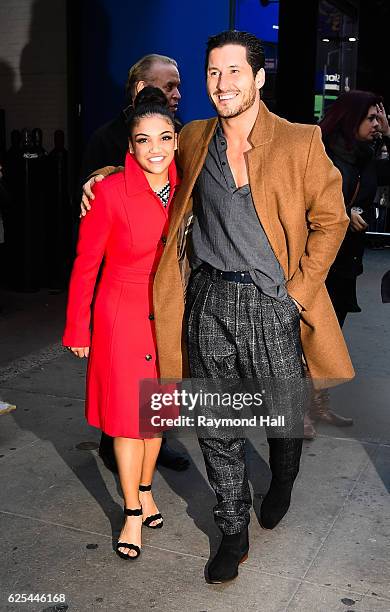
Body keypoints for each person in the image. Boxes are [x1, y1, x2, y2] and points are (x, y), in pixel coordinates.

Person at [81, 30, 355, 584]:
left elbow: (332, 220)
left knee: (282, 419)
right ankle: (232, 527)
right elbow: (147, 156)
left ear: (257, 78)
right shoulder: (193, 137)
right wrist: (106, 174)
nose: (222, 83)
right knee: (216, 423)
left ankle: (281, 479)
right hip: (206, 299)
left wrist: (296, 294)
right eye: (213, 72)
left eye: (234, 72)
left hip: (272, 300)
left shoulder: (300, 140)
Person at [63, 87, 180, 560]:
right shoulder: (109, 193)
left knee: (155, 419)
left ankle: (147, 487)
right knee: (127, 424)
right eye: (144, 139)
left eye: (164, 138)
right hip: (121, 315)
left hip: (168, 314)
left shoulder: (188, 183)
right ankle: (131, 512)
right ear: (129, 146)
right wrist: (78, 328)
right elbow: (85, 264)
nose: (155, 148)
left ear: (176, 140)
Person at [81, 54, 189, 473]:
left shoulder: (184, 135)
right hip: (124, 287)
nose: (178, 94)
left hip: (167, 287)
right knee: (122, 386)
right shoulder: (107, 137)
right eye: (169, 86)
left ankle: (151, 444)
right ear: (142, 89)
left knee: (158, 379)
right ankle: (118, 444)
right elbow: (92, 211)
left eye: (179, 86)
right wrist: (101, 179)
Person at [303, 92, 390, 439]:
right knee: (306, 337)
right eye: (370, 118)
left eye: (377, 119)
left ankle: (318, 404)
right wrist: (341, 213)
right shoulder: (322, 151)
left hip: (346, 261)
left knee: (330, 336)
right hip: (317, 260)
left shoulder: (366, 156)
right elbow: (302, 201)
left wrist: (389, 130)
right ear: (350, 117)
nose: (374, 125)